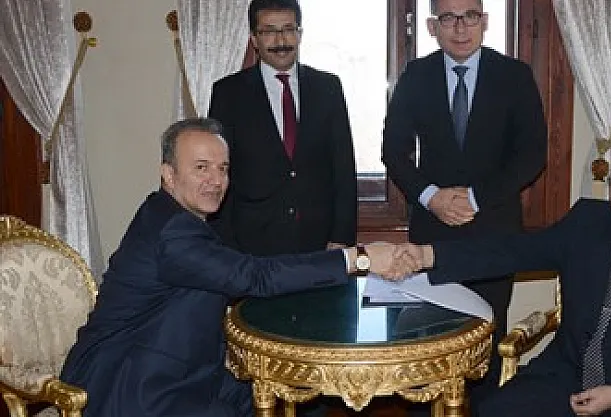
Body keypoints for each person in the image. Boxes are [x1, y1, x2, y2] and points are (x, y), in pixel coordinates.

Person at [60, 118, 414, 417]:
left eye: (223, 169)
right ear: (168, 174)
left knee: (290, 400)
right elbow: (254, 276)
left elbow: (246, 273)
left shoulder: (176, 216)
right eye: (201, 168)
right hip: (131, 385)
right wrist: (359, 258)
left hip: (188, 369)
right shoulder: (172, 231)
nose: (216, 180)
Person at [405, 143, 611, 417]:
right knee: (496, 409)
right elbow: (512, 251)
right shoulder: (587, 223)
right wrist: (425, 256)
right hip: (567, 375)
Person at [381, 0, 547, 406]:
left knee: (485, 345)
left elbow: (531, 156)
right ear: (432, 26)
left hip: (494, 234)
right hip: (432, 235)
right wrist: (431, 196)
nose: (460, 27)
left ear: (484, 21)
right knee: (428, 346)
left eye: (470, 16)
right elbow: (393, 150)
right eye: (449, 18)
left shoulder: (514, 75)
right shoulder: (416, 75)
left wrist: (474, 197)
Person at [208, 0, 357, 257]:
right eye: (269, 31)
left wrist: (341, 238)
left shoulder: (327, 88)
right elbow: (220, 170)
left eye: (288, 29)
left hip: (319, 244)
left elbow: (343, 168)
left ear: (300, 34)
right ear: (254, 39)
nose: (281, 41)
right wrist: (227, 247)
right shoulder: (228, 93)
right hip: (250, 246)